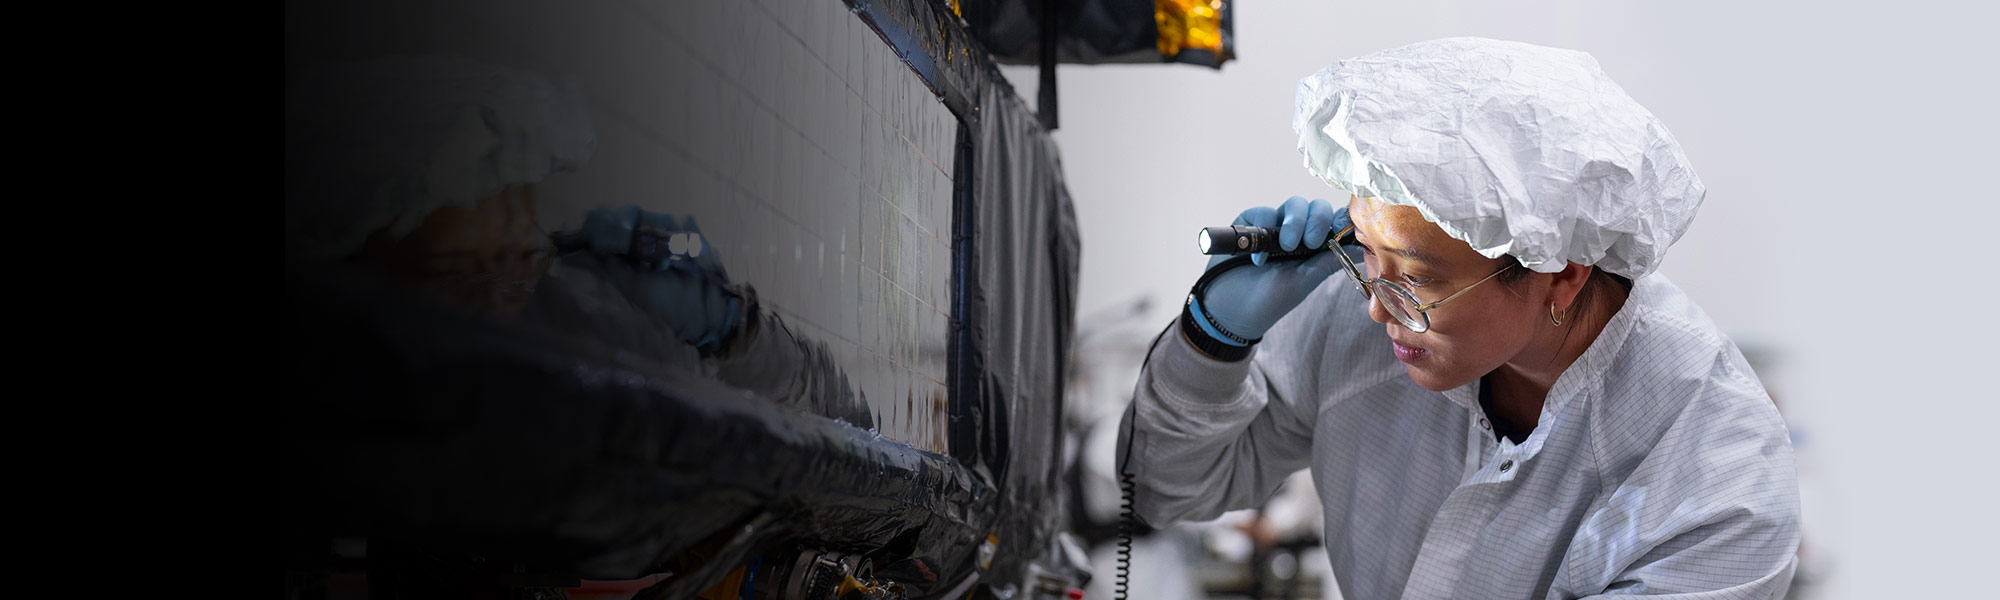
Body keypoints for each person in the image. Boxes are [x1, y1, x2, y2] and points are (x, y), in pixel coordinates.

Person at [1119, 37, 1799, 599]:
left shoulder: (1717, 479)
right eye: (1363, 249)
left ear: (1561, 271)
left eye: (1415, 278)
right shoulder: (1361, 318)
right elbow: (1162, 488)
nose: (1373, 304)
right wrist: (1211, 339)